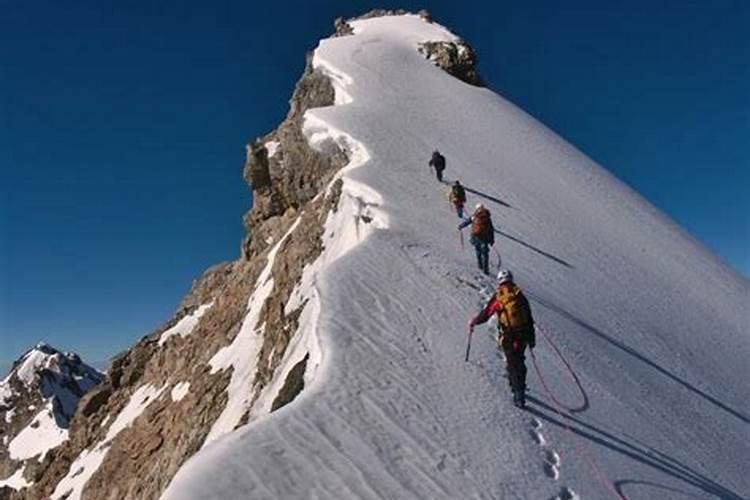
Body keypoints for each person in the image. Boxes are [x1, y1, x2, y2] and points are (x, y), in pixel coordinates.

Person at [469, 269, 535, 408]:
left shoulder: (499, 296)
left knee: (512, 363)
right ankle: (519, 386)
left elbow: (487, 313)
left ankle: (518, 394)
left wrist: (474, 321)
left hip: (508, 335)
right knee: (520, 361)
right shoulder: (519, 295)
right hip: (522, 334)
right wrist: (531, 338)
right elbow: (529, 317)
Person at [459, 203, 495, 274]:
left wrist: (461, 226)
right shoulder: (487, 218)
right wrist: (491, 240)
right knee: (485, 254)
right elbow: (491, 229)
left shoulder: (474, 216)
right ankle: (485, 269)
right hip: (484, 238)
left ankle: (480, 265)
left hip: (475, 237)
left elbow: (467, 222)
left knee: (478, 251)